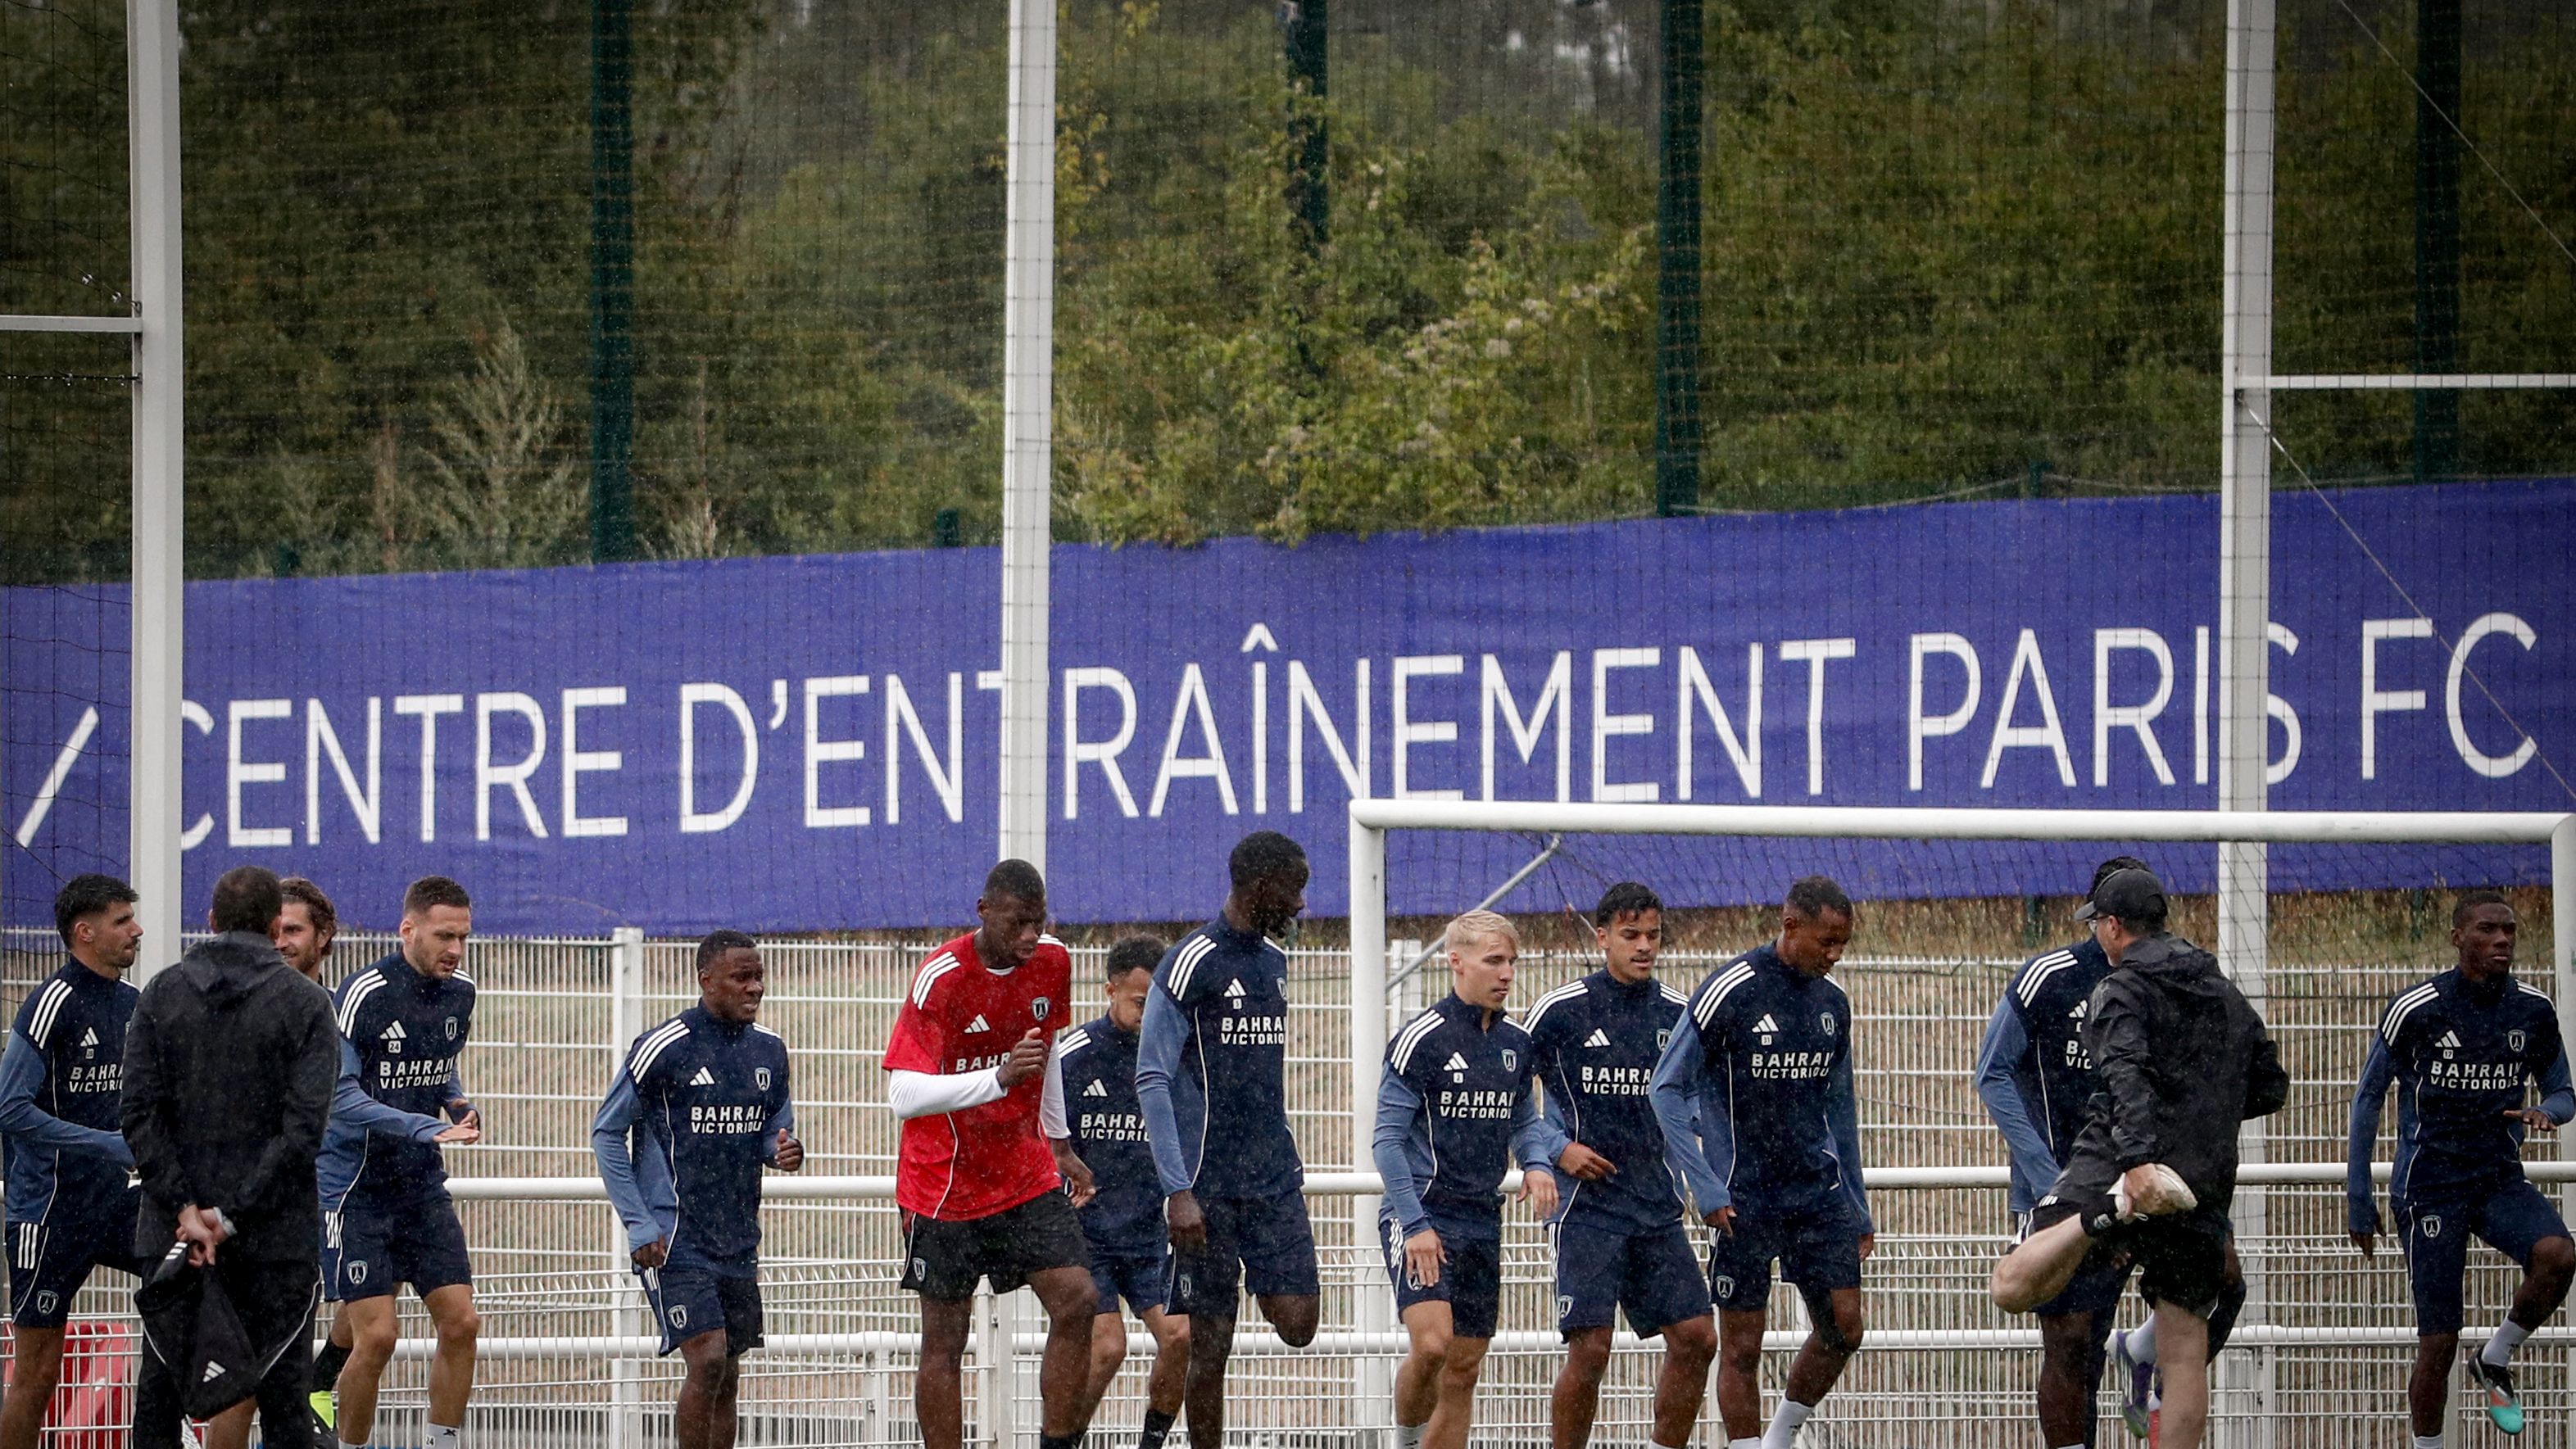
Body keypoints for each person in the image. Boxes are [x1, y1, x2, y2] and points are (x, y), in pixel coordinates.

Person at [1990, 865, 2289, 1449]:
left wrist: (2133, 1167)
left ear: (2112, 926)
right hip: (2197, 1174)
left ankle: (2098, 1215)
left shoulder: (2118, 986)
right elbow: (2271, 1085)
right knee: (2184, 1351)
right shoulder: (2220, 988)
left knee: (2011, 1287)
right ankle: (2139, 1350)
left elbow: (2124, 1073)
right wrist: (2199, 1116)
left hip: (2120, 1166)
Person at [1651, 876, 1872, 1449]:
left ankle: (1779, 1437)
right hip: (1743, 1197)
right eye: (1827, 941)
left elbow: (1840, 1110)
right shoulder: (1732, 989)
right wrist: (1704, 1183)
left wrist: (1858, 1204)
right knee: (1743, 1344)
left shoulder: (1833, 1004)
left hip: (1816, 1195)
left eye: (1843, 943)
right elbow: (1665, 1087)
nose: (1835, 954)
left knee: (1845, 1327)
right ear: (1790, 924)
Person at [121, 864, 337, 1449]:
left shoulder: (160, 993)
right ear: (273, 926)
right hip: (274, 1241)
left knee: (161, 1395)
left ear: (211, 920)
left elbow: (138, 1114)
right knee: (284, 1403)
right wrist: (232, 1213)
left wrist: (187, 1208)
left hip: (172, 1235)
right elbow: (301, 1132)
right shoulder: (307, 1003)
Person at [883, 859, 1095, 1449]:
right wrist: (997, 1079)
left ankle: (1057, 1443)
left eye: (1039, 920)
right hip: (943, 1185)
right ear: (984, 911)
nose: (1031, 934)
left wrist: (1060, 1142)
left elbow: (1043, 1053)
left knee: (1078, 1298)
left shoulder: (1052, 961)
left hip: (1022, 1172)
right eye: (1018, 922)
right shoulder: (942, 977)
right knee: (946, 1342)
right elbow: (903, 1094)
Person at [2349, 890, 2574, 1444]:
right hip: (2429, 1186)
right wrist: (2358, 1195)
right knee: (2438, 1341)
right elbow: (2367, 1097)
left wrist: (2547, 1110)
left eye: (2510, 930)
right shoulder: (2418, 1008)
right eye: (2487, 930)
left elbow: (2565, 1090)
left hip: (2497, 1177)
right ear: (2457, 937)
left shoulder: (2532, 1008)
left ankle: (2495, 1357)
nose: (2501, 940)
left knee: (2559, 1254)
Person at [1136, 831, 1322, 1449]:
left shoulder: (1275, 961)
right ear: (1260, 886)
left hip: (1272, 1181)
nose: (1300, 905)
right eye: (1294, 890)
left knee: (1300, 1321)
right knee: (1209, 1348)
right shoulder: (1191, 961)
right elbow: (1153, 1075)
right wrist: (1177, 1189)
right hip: (1207, 1190)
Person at [1521, 882, 1716, 1449]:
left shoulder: (1680, 1014)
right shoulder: (1562, 1011)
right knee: (1592, 1348)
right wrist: (1556, 1148)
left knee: (1697, 1336)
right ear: (1602, 936)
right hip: (1587, 1208)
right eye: (1631, 935)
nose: (1644, 946)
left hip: (1654, 1203)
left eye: (1653, 935)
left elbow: (1702, 1101)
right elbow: (1505, 1089)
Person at [596, 930, 804, 1449]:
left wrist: (782, 1150)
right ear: (706, 980)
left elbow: (771, 1129)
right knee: (707, 1357)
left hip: (736, 1238)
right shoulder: (665, 1047)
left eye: (759, 977)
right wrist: (640, 1222)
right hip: (675, 1240)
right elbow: (605, 1132)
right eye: (741, 977)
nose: (755, 988)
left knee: (728, 1374)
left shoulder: (770, 1051)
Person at [1373, 910, 1558, 1449]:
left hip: (1481, 1217)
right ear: (1456, 961)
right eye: (1494, 960)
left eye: (1512, 962)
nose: (1506, 973)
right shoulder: (1422, 1039)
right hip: (1425, 1213)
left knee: (1463, 1368)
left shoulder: (1517, 1043)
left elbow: (1524, 1119)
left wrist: (1539, 1164)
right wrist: (1414, 1223)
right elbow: (1386, 1141)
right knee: (1432, 1346)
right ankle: (1405, 1442)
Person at [317, 875, 485, 1449]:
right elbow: (339, 1095)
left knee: (462, 1321)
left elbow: (438, 1066)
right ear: (407, 928)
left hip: (420, 1185)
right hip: (356, 1187)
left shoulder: (461, 990)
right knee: (380, 1336)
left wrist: (456, 1101)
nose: (456, 949)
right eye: (444, 935)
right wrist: (426, 1125)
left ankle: (441, 1443)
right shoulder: (363, 993)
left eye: (463, 937)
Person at [0, 876, 146, 1449]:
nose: (136, 929)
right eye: (121, 920)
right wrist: (108, 1143)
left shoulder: (135, 1004)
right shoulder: (52, 1002)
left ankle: (170, 1422)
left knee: (201, 1275)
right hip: (49, 1212)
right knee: (36, 1373)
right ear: (84, 932)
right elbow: (9, 1108)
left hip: (115, 1202)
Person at [1045, 935, 1191, 1449]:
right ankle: (1062, 1441)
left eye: (1158, 1003)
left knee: (1180, 1337)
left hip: (1150, 1235)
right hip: (1089, 1238)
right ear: (1110, 990)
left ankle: (1151, 1443)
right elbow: (1041, 1132)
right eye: (1138, 1000)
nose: (1148, 1012)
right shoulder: (1075, 1055)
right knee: (1108, 1348)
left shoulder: (1175, 1059)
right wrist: (1056, 1186)